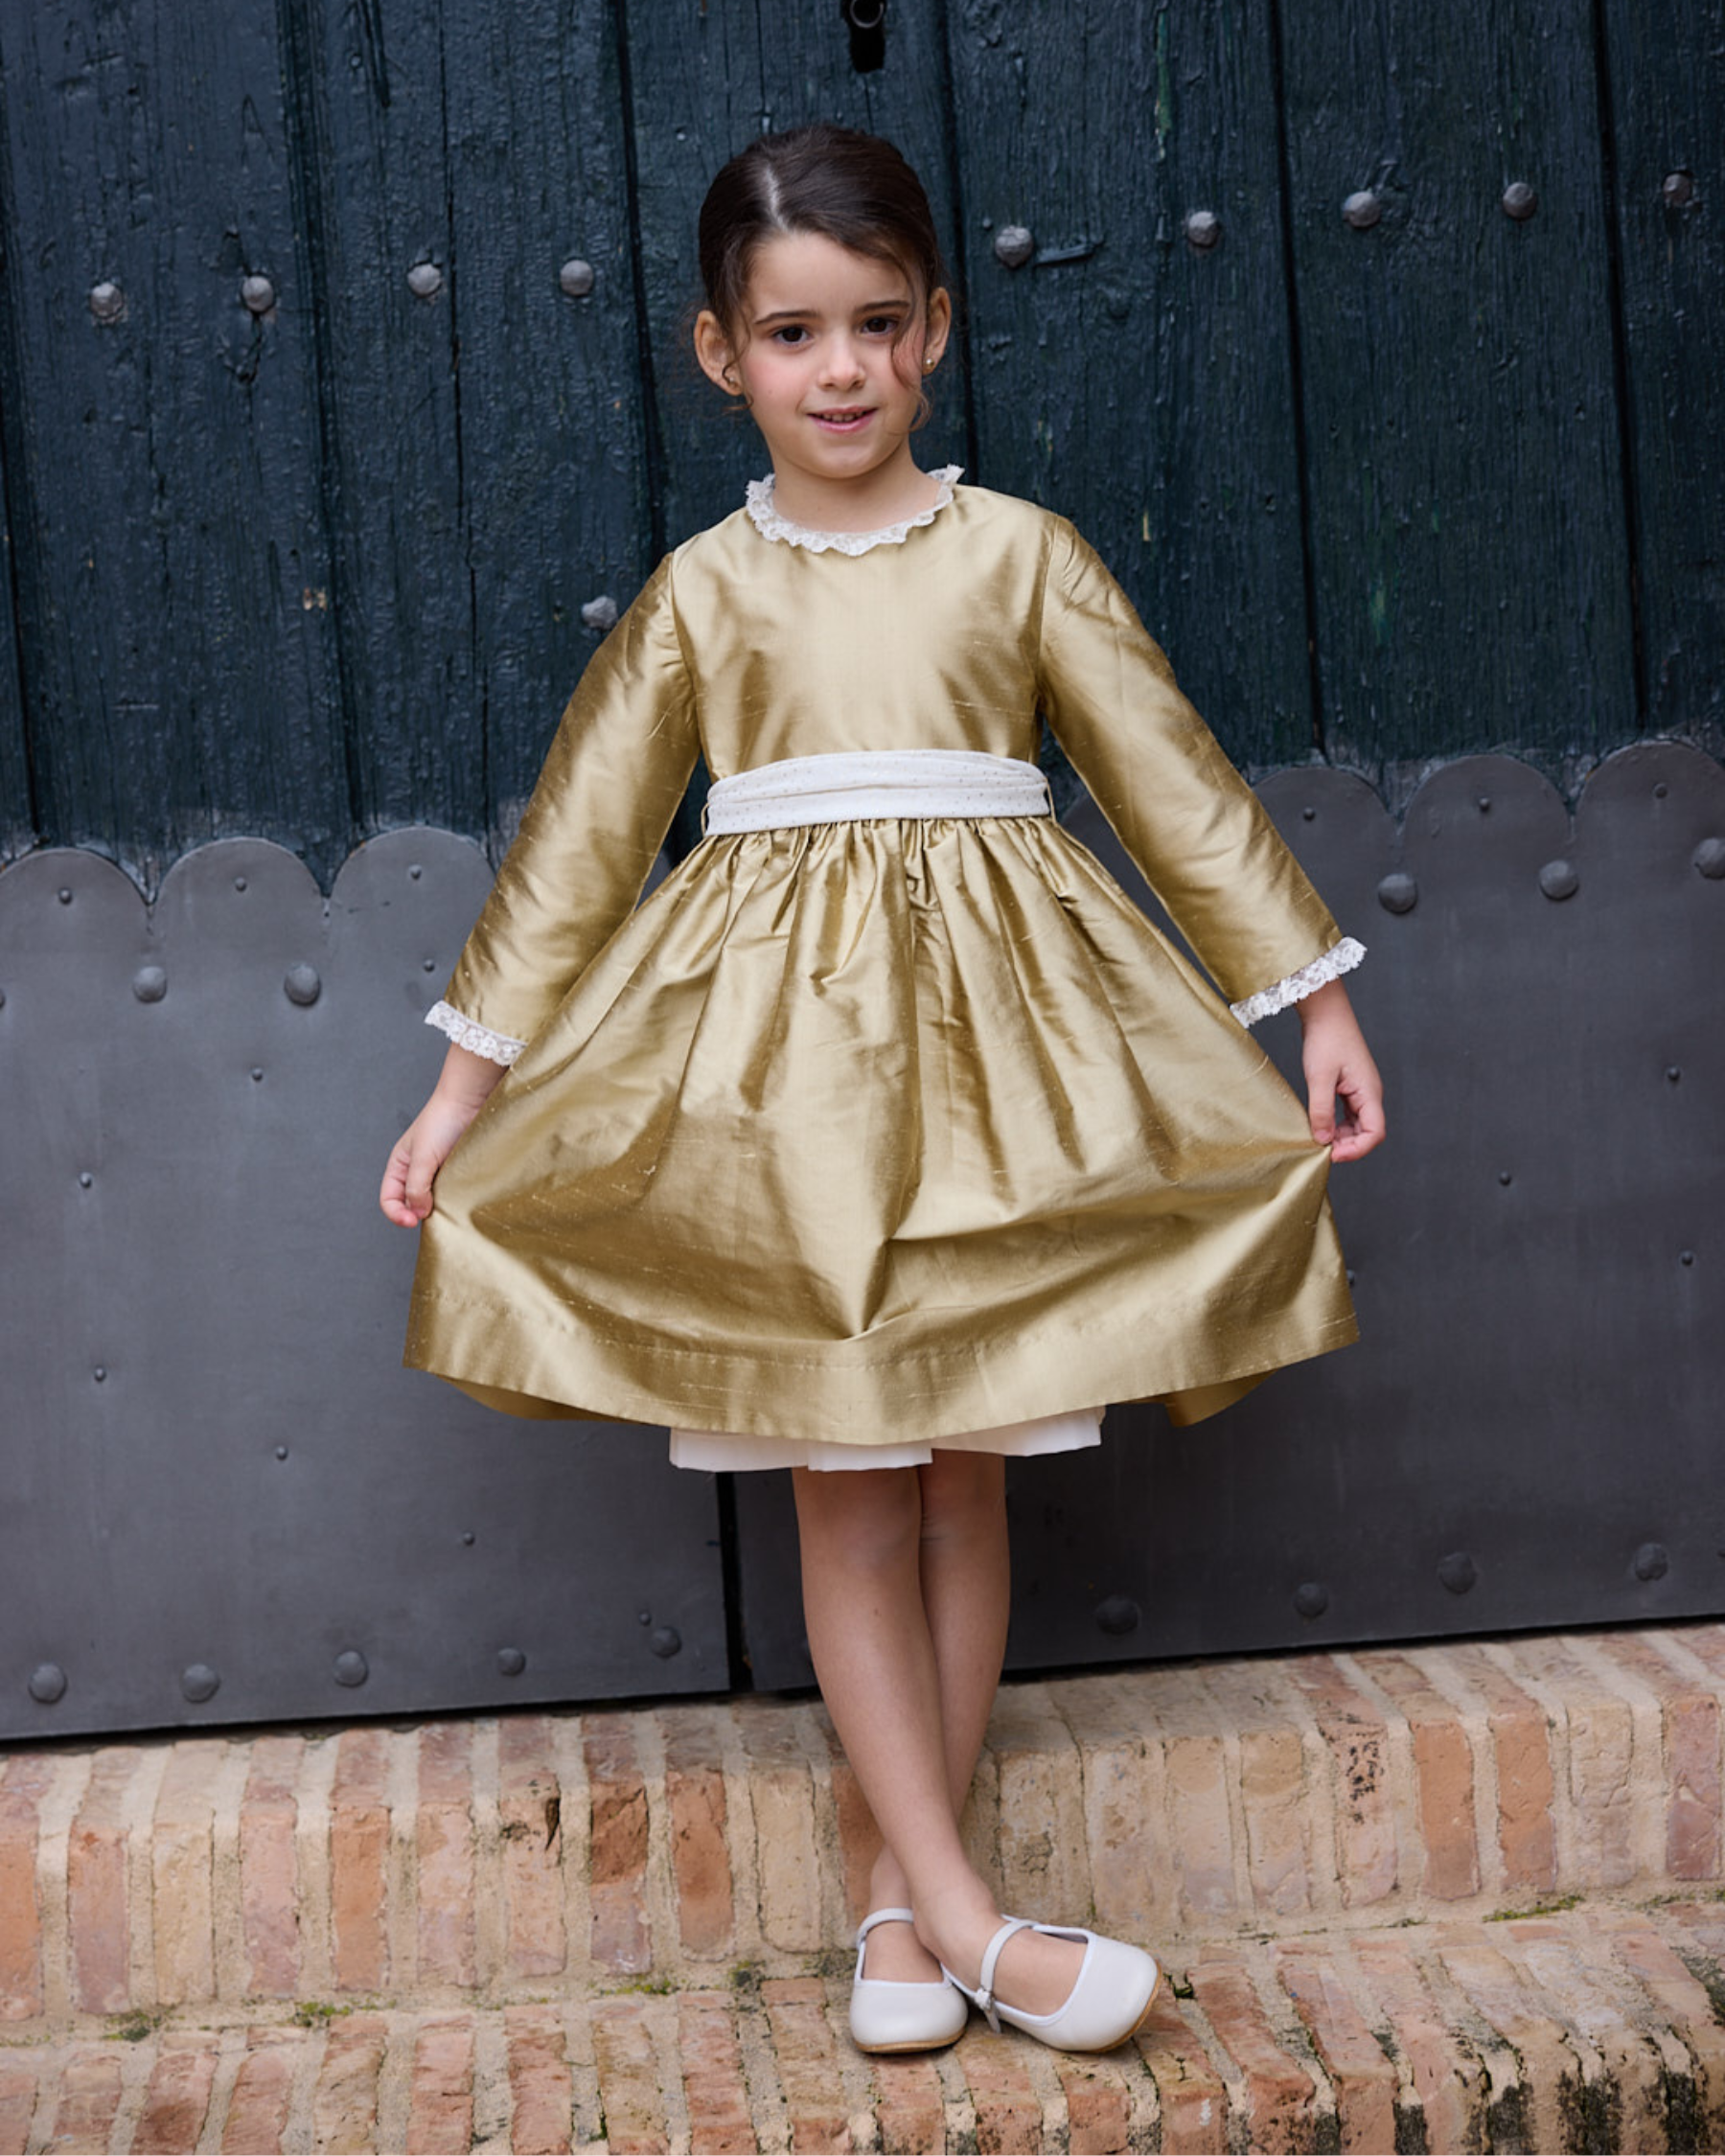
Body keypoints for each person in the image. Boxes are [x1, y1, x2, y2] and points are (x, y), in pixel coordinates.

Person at [380, 123, 1384, 2056]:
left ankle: (896, 1908)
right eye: (791, 334)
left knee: (967, 1478)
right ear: (720, 353)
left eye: (873, 324)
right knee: (849, 1495)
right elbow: (581, 844)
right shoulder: (704, 593)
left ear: (933, 330)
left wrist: (1311, 1005)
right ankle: (970, 1916)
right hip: (788, 1107)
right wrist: (461, 1091)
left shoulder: (1022, 557)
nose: (836, 369)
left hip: (1007, 1078)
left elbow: (1170, 779)